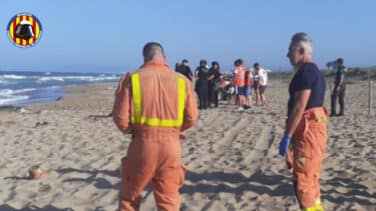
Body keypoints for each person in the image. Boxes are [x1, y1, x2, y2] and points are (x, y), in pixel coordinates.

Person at [112, 42, 198, 210]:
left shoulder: (133, 78)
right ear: (164, 58)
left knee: (129, 198)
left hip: (142, 145)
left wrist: (133, 130)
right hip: (171, 147)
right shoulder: (182, 81)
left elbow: (120, 118)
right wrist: (174, 130)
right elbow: (192, 117)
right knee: (169, 199)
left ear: (144, 57)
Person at [279, 32, 328, 211]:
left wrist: (287, 135)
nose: (287, 55)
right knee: (310, 178)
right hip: (312, 130)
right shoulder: (312, 71)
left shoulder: (306, 72)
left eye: (290, 50)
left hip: (308, 132)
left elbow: (300, 107)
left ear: (300, 51)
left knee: (304, 181)